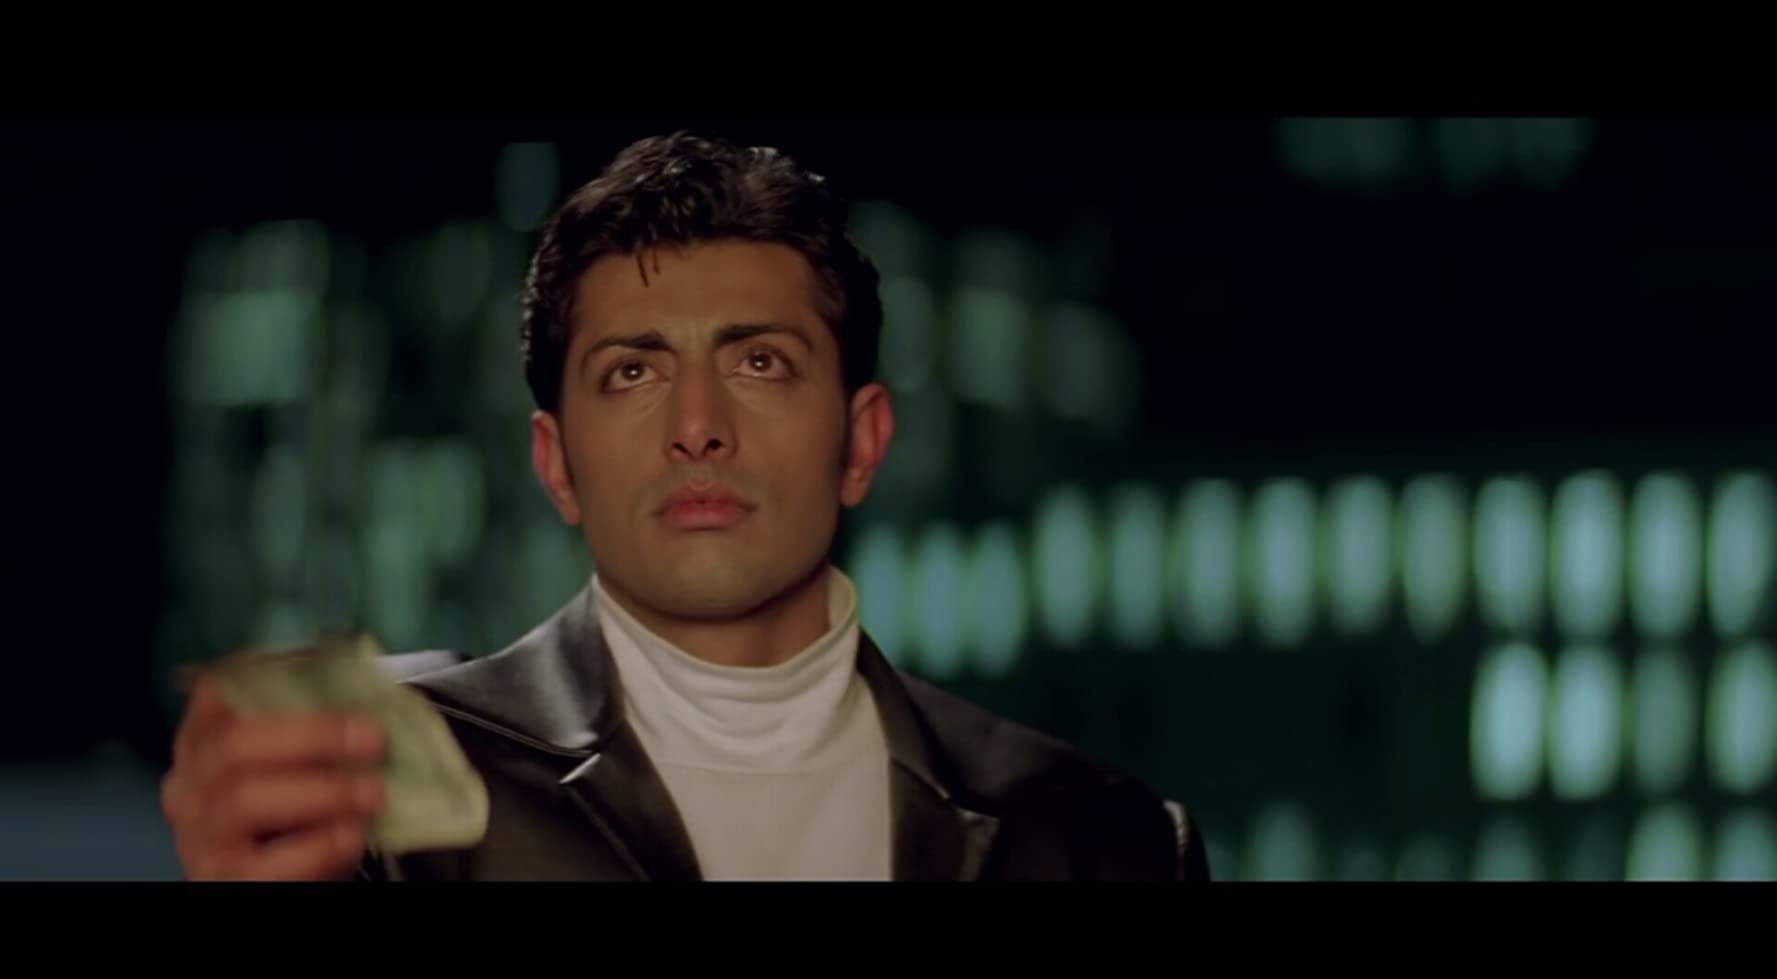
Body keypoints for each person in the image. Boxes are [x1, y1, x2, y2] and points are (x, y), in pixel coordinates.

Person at [159, 131, 1213, 881]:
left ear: (861, 442)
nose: (697, 426)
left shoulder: (1101, 841)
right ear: (556, 464)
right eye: (632, 372)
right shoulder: (384, 797)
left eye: (759, 363)